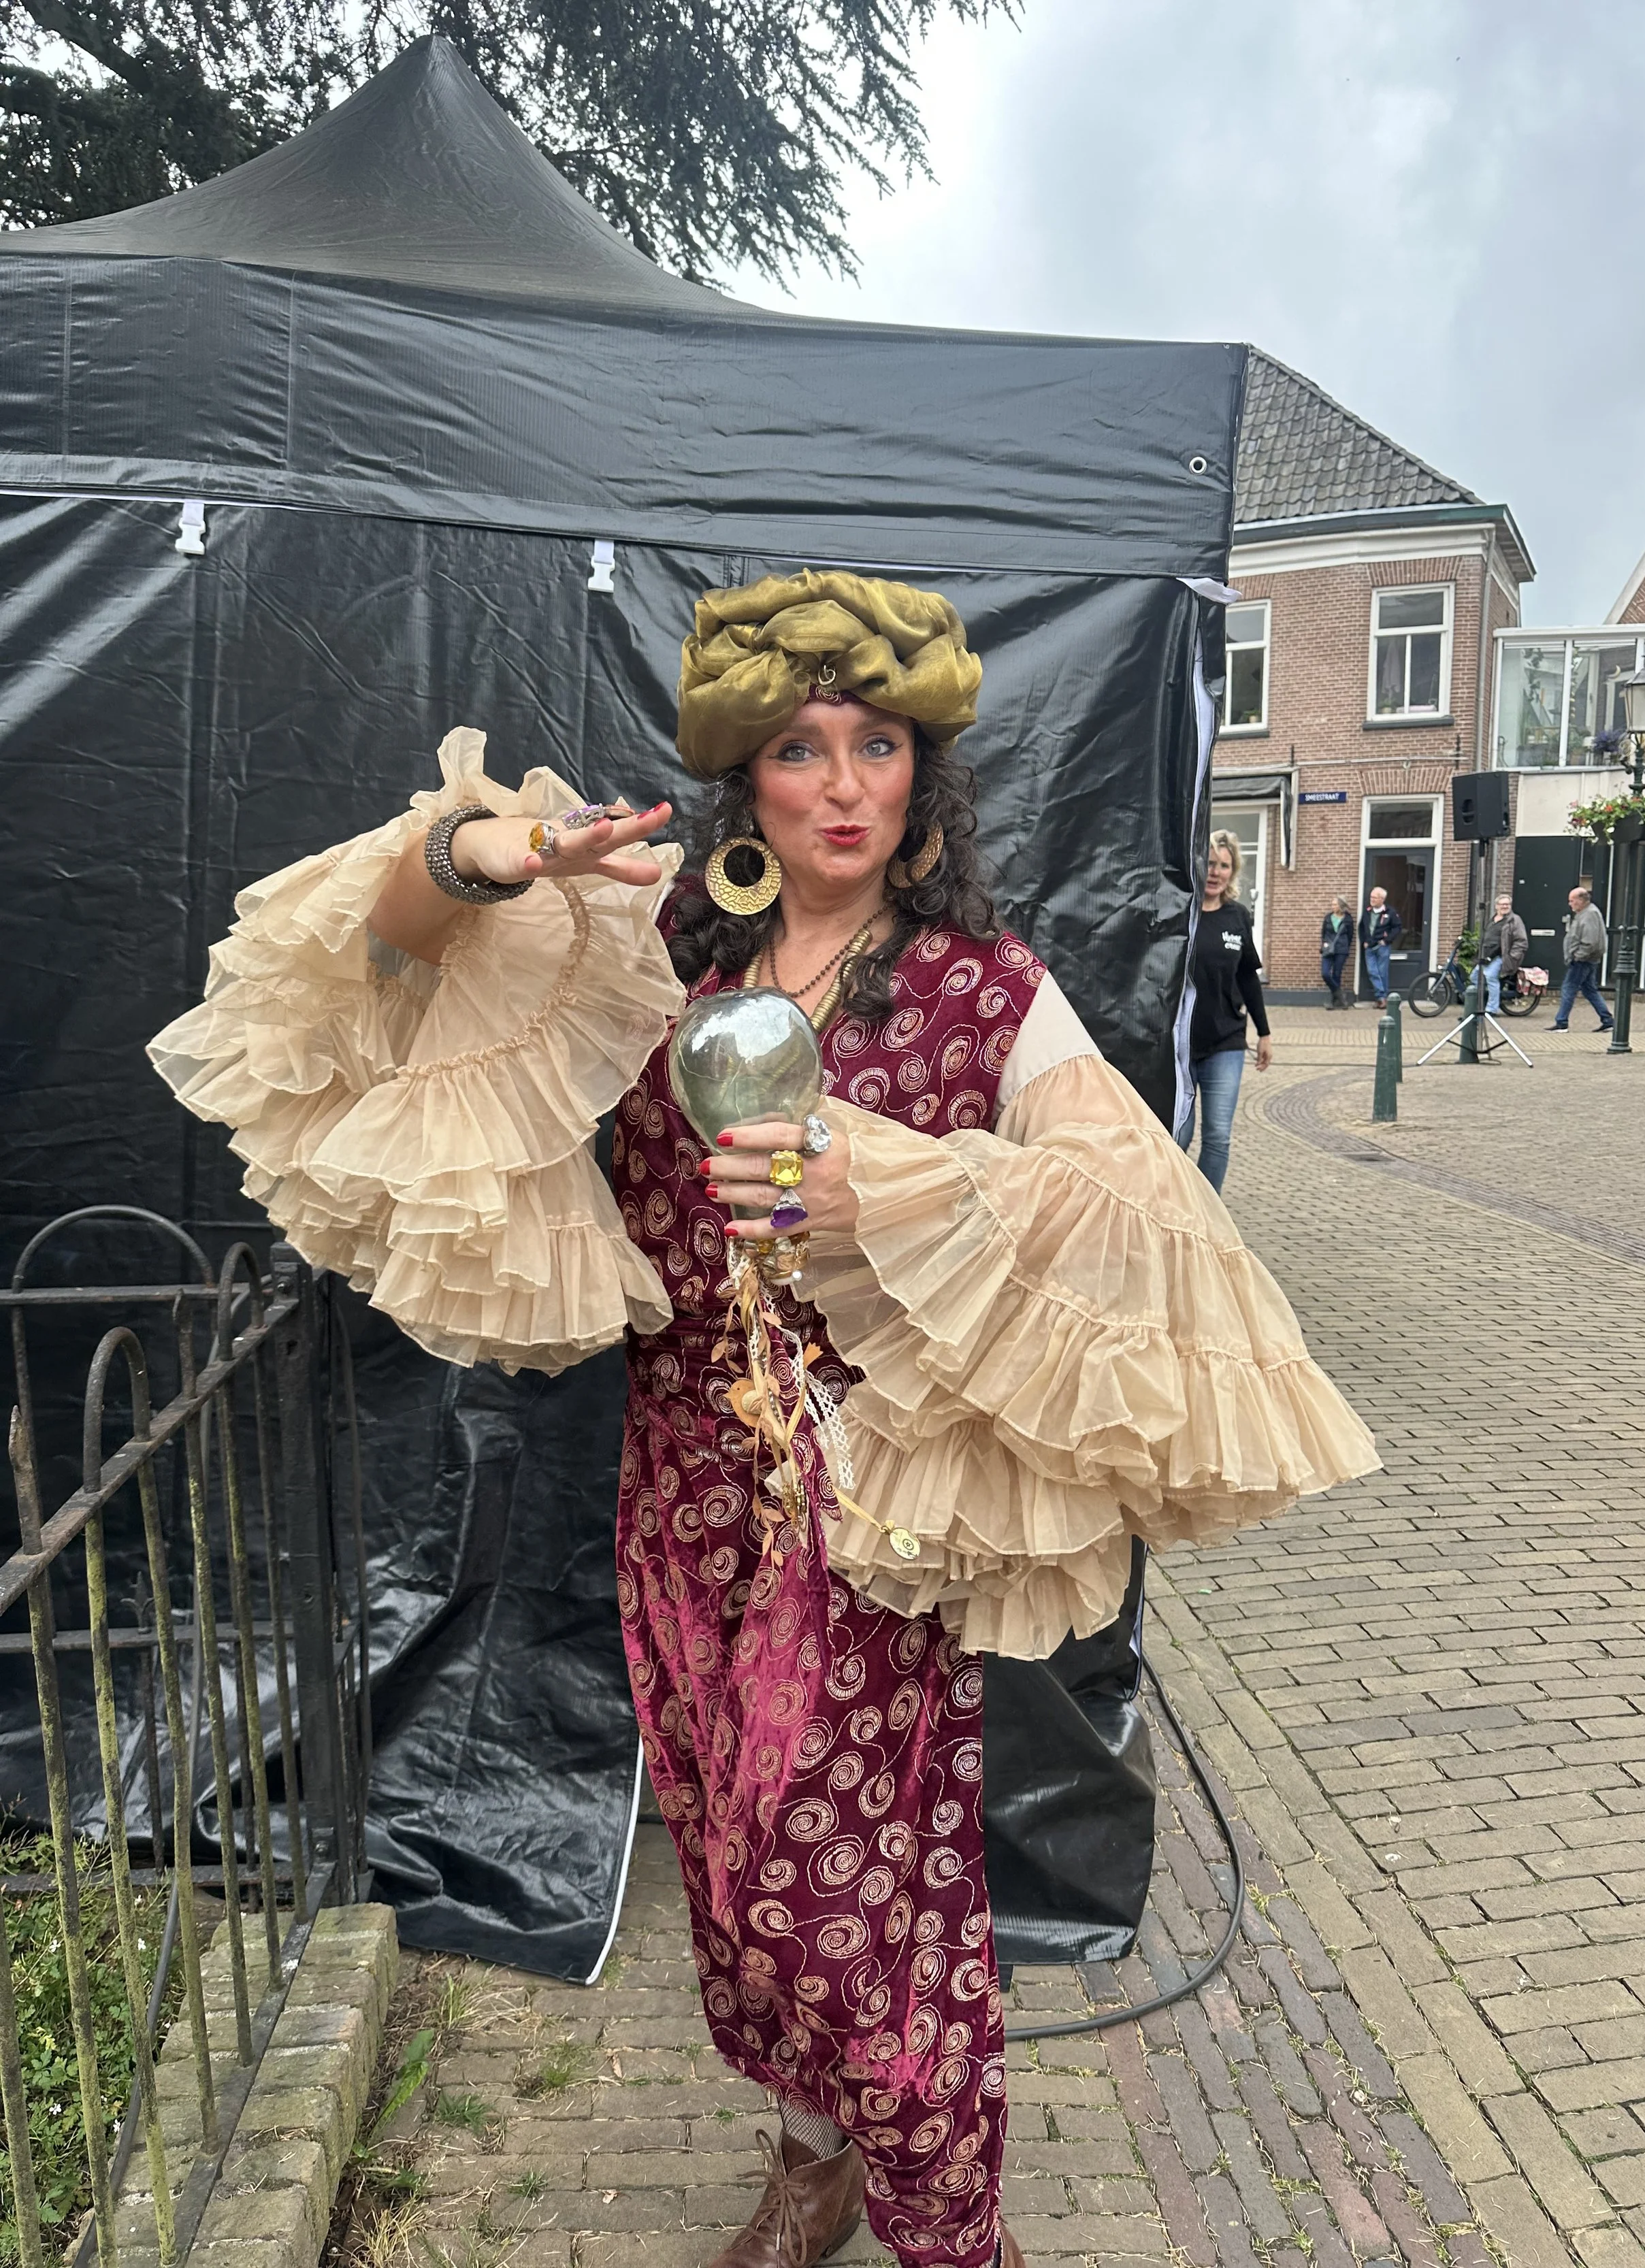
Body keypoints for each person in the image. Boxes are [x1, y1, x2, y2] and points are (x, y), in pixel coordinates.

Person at [150, 570, 1375, 2268]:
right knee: (734, 1866)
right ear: (752, 783)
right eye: (804, 749)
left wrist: (879, 1183)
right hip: (681, 1487)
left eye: (880, 742)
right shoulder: (646, 956)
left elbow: (1137, 1217)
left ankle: (954, 2231)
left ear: (922, 771)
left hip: (870, 1513)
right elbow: (358, 990)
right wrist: (476, 862)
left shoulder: (986, 992)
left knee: (855, 1891)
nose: (847, 782)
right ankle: (812, 2164)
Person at [1181, 830, 1272, 1193]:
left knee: (1218, 1136)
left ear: (1233, 872)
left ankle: (1207, 1215)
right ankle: (1174, 1205)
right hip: (1180, 1045)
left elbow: (1248, 977)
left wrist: (1264, 1033)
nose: (1216, 872)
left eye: (1225, 865)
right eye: (1210, 863)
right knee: (1177, 1135)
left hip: (1226, 1043)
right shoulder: (1180, 912)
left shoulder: (1238, 917)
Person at [1550, 883, 1613, 1032]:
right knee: (1590, 990)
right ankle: (1608, 1020)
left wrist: (1577, 956)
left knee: (1568, 988)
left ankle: (1562, 1022)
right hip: (1587, 959)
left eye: (1572, 901)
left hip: (1583, 961)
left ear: (1580, 900)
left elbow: (1590, 941)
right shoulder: (1586, 913)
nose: (1570, 904)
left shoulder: (1589, 914)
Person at [1480, 891, 1528, 1015]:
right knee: (1475, 977)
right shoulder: (1493, 920)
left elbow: (1522, 941)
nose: (1505, 907)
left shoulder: (1514, 920)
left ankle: (1491, 1010)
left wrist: (1512, 956)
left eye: (1507, 904)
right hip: (1488, 955)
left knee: (1490, 976)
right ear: (1496, 906)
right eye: (1502, 904)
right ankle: (1488, 998)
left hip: (1503, 956)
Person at [1358, 886, 1403, 1007]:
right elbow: (1361, 927)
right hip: (1369, 947)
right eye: (1371, 897)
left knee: (1382, 972)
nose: (1371, 900)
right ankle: (1382, 997)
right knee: (1372, 971)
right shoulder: (1367, 911)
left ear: (1382, 899)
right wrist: (1364, 941)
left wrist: (1387, 940)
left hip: (1382, 947)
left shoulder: (1390, 913)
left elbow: (1397, 927)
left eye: (1375, 898)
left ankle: (1382, 999)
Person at [1320, 895, 1355, 1007]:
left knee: (1337, 974)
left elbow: (1350, 935)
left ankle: (1334, 1002)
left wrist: (1344, 946)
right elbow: (1324, 933)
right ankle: (1340, 995)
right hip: (1328, 949)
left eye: (1335, 905)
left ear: (1341, 906)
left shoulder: (1348, 919)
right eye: (1332, 904)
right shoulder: (1328, 918)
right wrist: (1325, 944)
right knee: (1325, 973)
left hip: (1341, 949)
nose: (1333, 907)